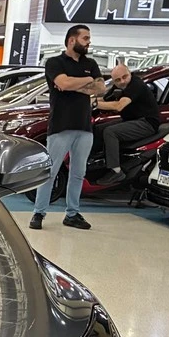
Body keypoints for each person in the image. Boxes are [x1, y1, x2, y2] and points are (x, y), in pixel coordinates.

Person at [31, 24, 105, 231]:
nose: (89, 42)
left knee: (78, 173)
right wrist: (87, 81)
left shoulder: (91, 63)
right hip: (61, 125)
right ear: (72, 40)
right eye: (85, 38)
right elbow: (63, 84)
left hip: (84, 127)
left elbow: (101, 88)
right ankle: (39, 212)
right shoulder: (54, 62)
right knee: (50, 171)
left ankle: (72, 213)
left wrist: (75, 84)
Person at [95, 65, 160, 183]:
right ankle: (101, 163)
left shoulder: (136, 85)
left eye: (124, 77)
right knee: (98, 128)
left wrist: (94, 104)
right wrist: (85, 99)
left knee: (110, 132)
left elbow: (119, 106)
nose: (122, 81)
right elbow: (105, 100)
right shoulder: (119, 86)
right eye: (117, 80)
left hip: (146, 123)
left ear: (129, 73)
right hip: (132, 120)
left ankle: (116, 171)